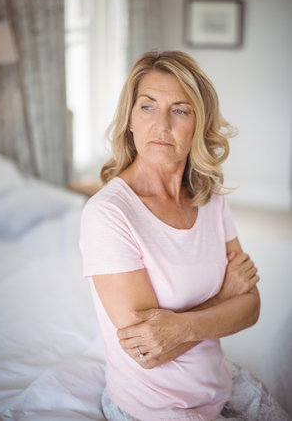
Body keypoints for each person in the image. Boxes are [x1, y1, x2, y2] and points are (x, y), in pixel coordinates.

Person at [79, 51, 289, 421]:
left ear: (198, 124)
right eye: (147, 107)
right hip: (154, 408)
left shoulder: (209, 197)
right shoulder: (108, 213)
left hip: (218, 382)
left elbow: (252, 307)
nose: (160, 125)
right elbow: (149, 352)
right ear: (130, 118)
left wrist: (177, 327)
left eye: (179, 110)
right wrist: (224, 297)